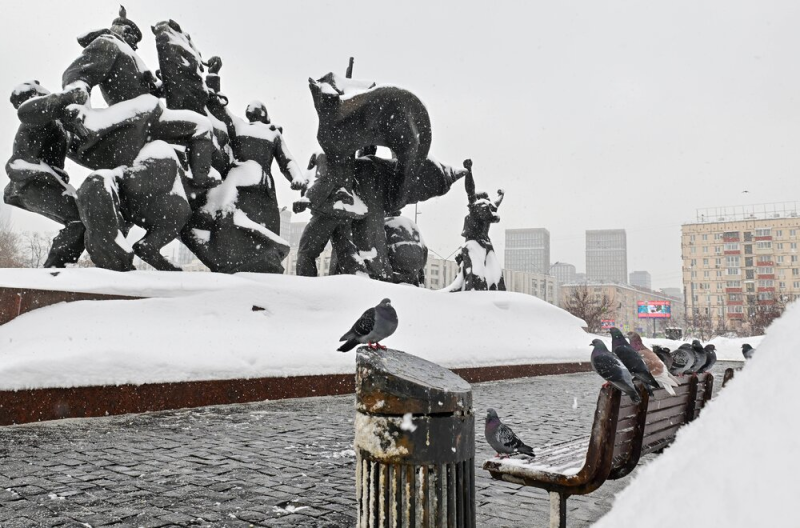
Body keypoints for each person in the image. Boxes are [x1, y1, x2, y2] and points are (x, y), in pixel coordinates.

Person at [4, 81, 87, 267]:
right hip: (31, 184)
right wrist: (49, 176)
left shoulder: (58, 123)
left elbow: (82, 150)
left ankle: (57, 268)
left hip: (51, 181)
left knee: (84, 220)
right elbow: (16, 164)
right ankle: (54, 270)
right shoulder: (35, 120)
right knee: (80, 220)